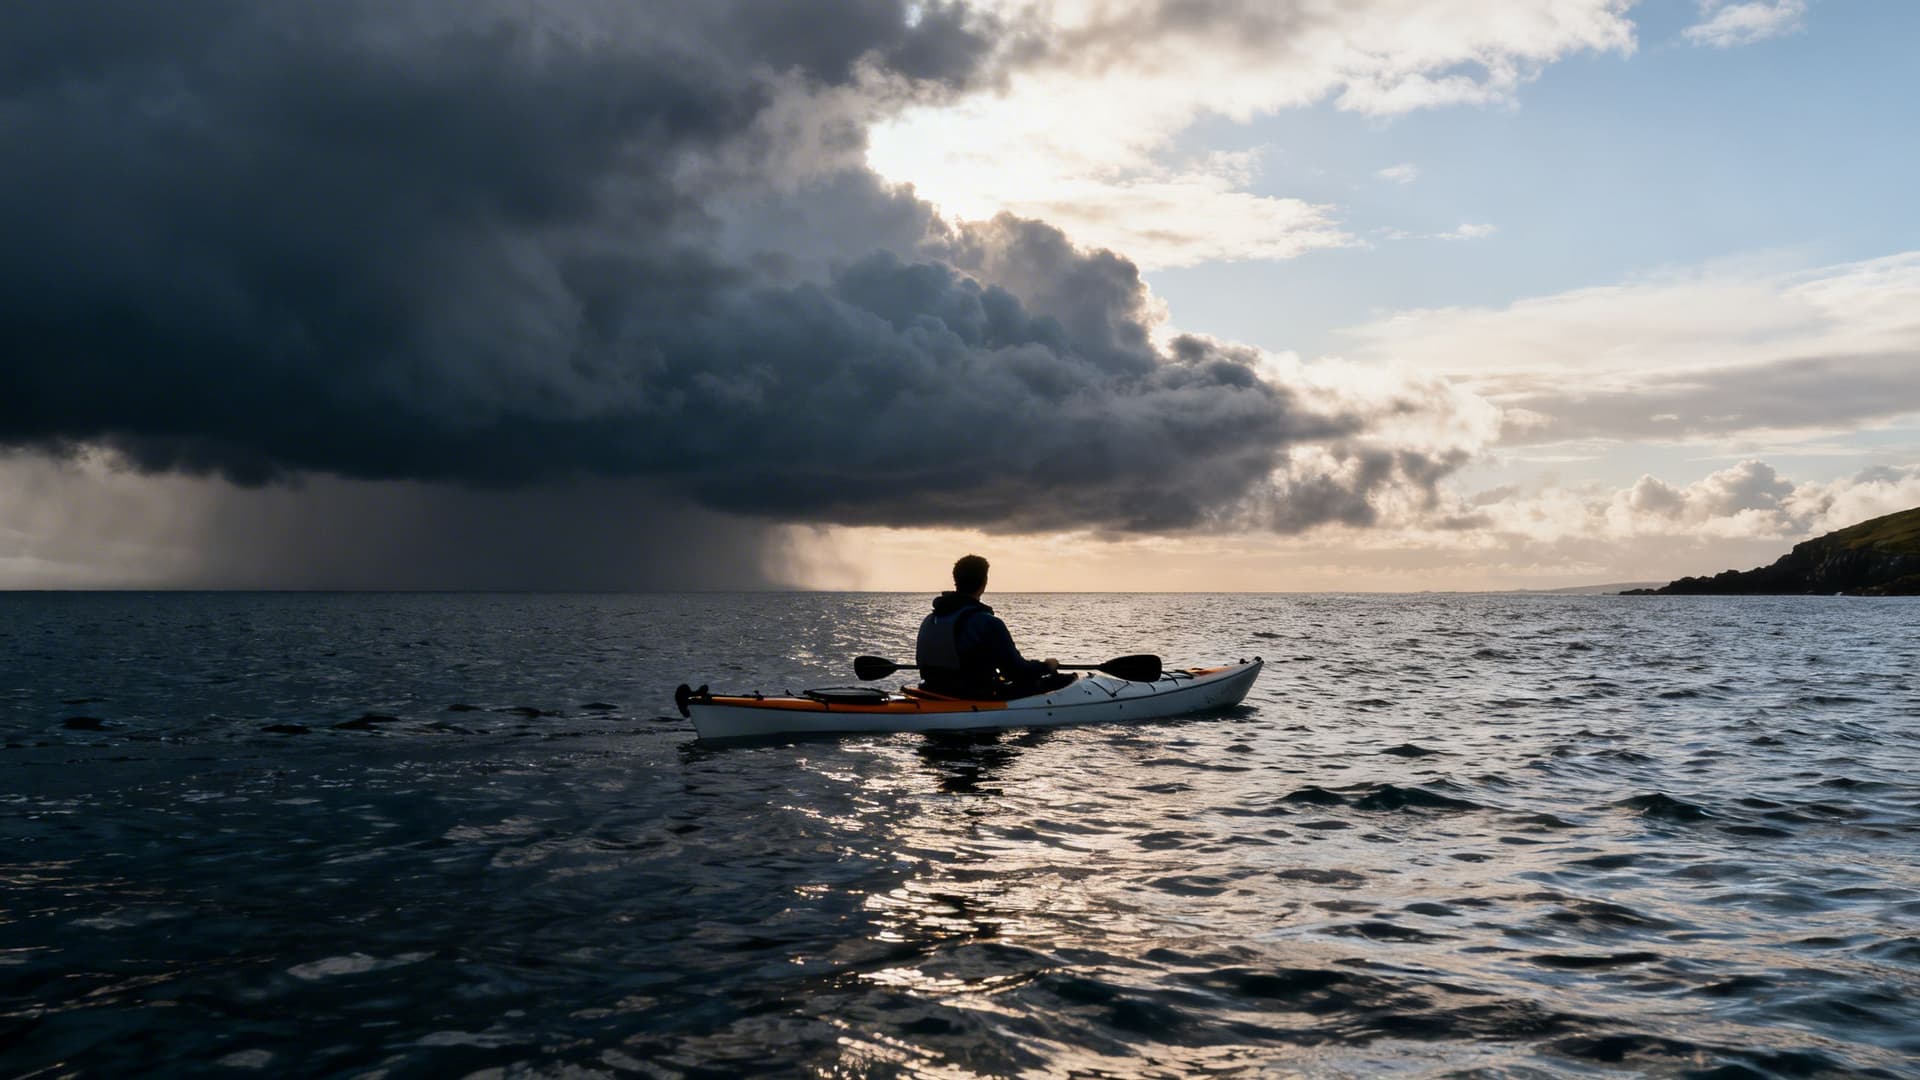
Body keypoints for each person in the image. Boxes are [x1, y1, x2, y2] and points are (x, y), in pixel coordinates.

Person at [915, 555, 1071, 699]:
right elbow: (1016, 672)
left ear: (956, 581)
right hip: (972, 696)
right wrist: (1046, 666)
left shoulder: (931, 619)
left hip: (932, 690)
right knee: (1066, 681)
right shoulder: (988, 623)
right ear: (984, 582)